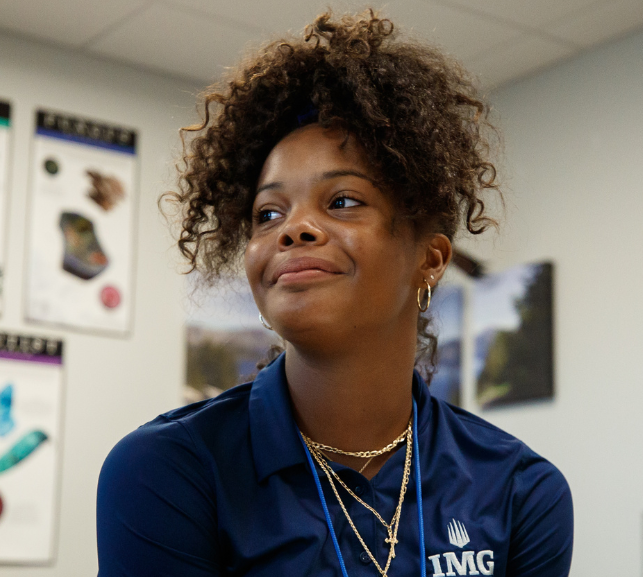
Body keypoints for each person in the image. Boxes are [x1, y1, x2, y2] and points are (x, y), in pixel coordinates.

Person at [96, 10, 573, 577]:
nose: (293, 229)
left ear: (430, 259)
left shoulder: (520, 491)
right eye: (267, 213)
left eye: (343, 201)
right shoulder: (170, 471)